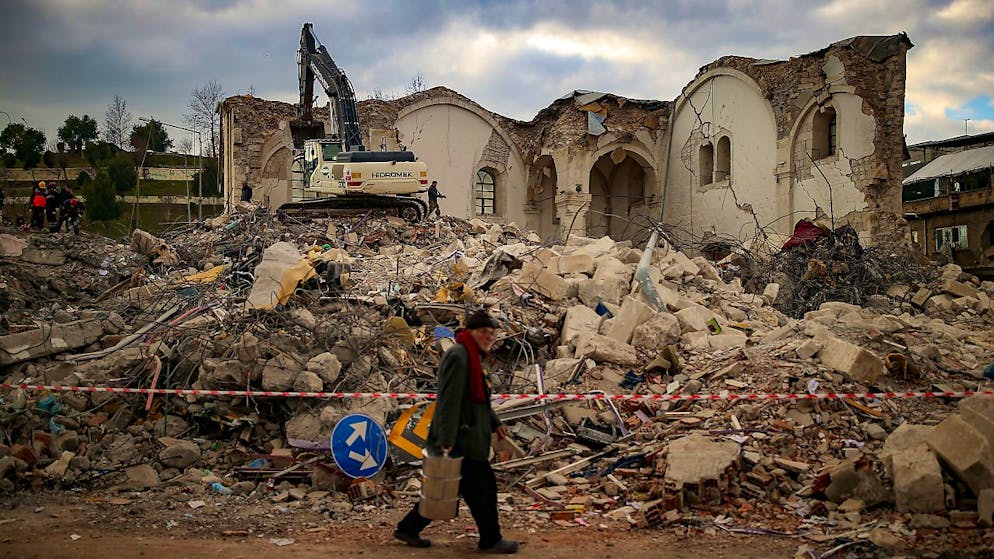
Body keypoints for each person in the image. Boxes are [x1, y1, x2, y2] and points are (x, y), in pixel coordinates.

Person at [395, 310, 519, 554]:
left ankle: (408, 528)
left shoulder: (472, 358)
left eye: (491, 334)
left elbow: (479, 399)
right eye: (483, 332)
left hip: (468, 437)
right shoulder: (458, 356)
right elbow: (450, 401)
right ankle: (490, 540)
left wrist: (495, 422)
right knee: (482, 490)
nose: (488, 337)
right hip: (461, 439)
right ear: (470, 332)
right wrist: (447, 440)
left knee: (447, 489)